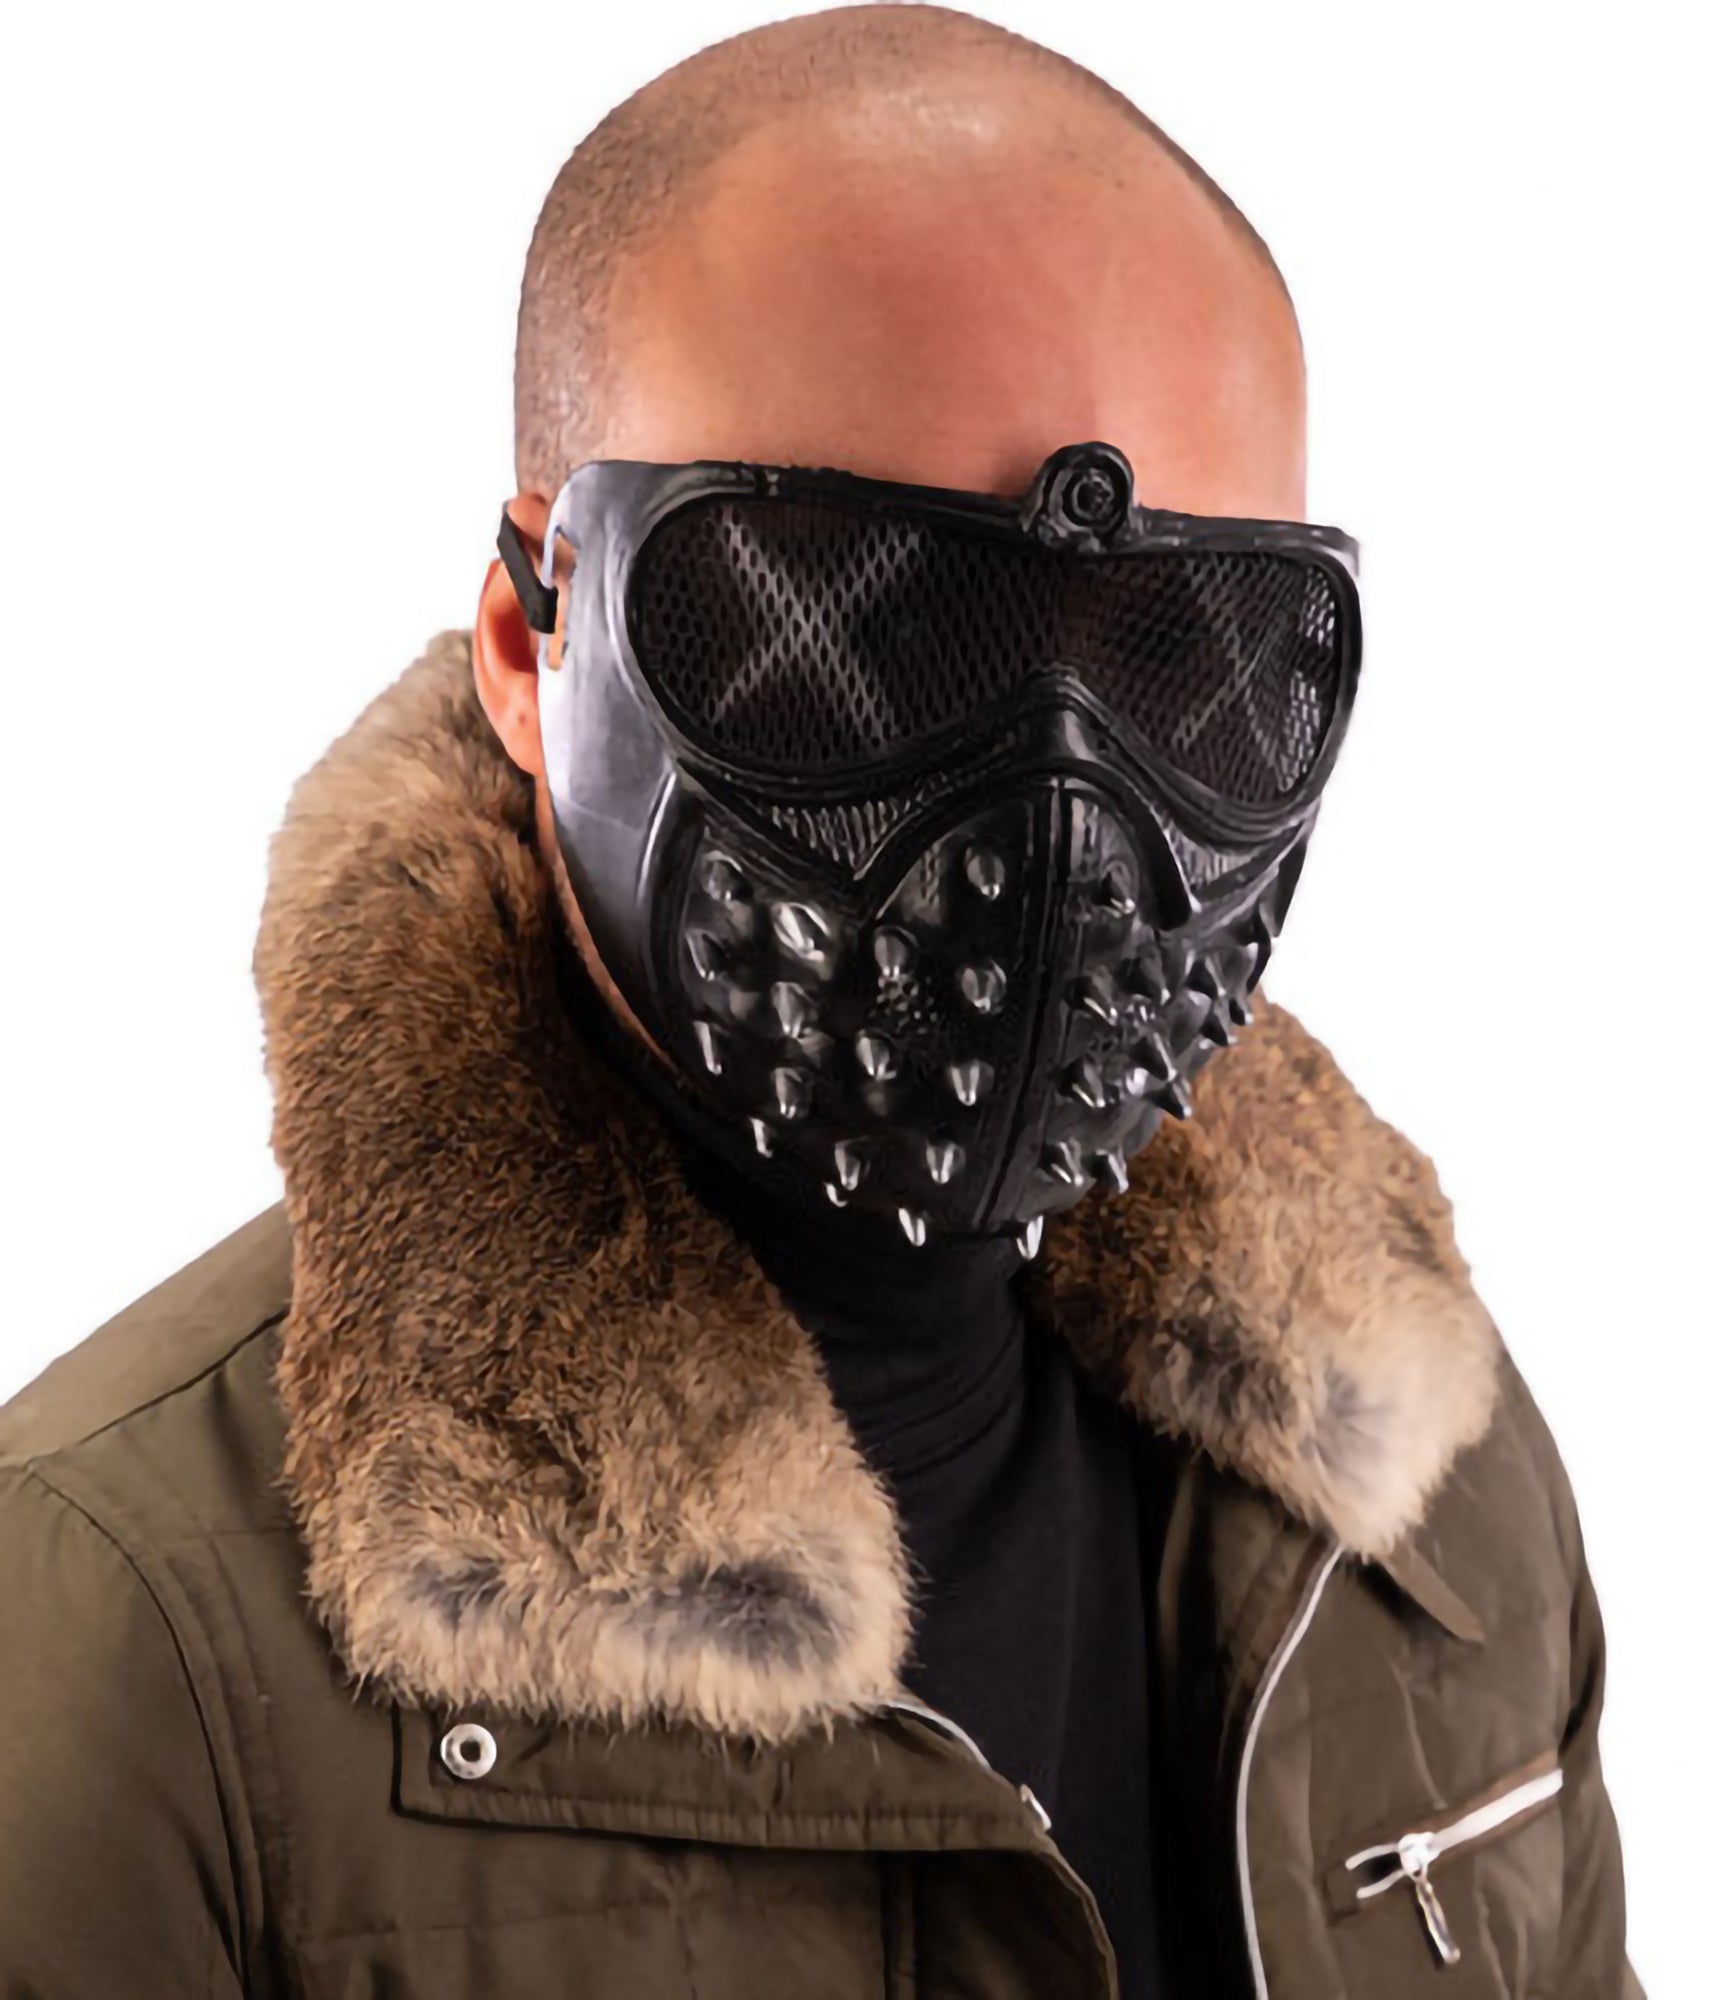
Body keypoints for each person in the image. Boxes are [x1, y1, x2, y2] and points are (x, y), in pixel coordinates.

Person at [0, 8, 1641, 1996]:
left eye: (1178, 645)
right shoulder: (120, 1642)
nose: (1055, 815)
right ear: (530, 641)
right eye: (852, 632)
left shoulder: (1416, 1498)